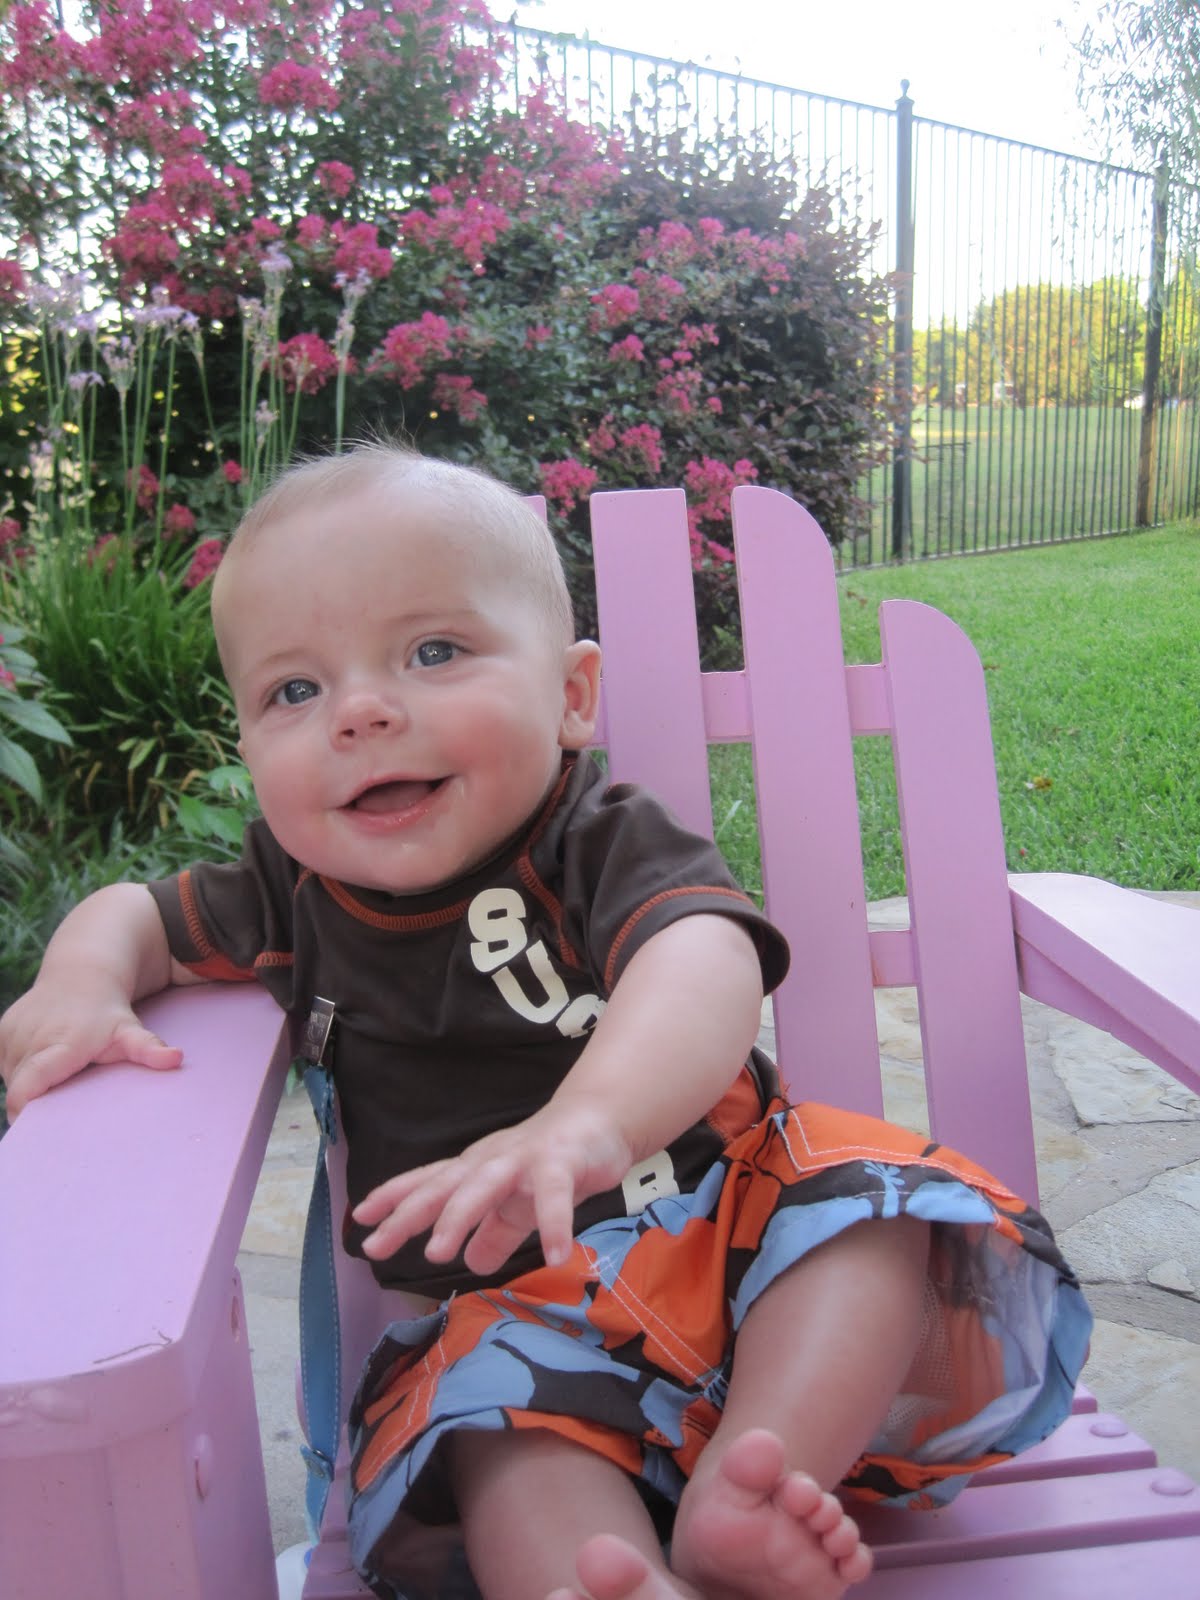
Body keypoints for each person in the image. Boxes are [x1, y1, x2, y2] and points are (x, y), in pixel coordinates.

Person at [0, 444, 1090, 1600]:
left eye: (433, 652)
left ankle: (751, 1486)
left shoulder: (598, 838)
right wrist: (81, 981)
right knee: (493, 1437)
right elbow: (135, 915)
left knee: (876, 1223)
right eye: (294, 691)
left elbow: (703, 957)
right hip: (515, 1320)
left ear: (571, 696)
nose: (360, 712)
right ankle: (606, 1580)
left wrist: (588, 1123)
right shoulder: (287, 894)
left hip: (733, 1234)